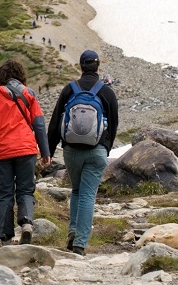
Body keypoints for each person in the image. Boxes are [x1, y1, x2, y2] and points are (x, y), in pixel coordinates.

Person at [47, 50, 119, 256]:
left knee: (77, 191)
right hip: (96, 151)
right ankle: (80, 243)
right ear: (97, 67)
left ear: (81, 66)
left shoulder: (69, 89)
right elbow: (113, 125)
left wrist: (49, 152)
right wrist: (105, 148)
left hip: (71, 150)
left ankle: (72, 232)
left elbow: (55, 123)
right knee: (88, 194)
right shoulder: (107, 92)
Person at [0, 59, 52, 246]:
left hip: (2, 151)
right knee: (26, 189)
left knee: (4, 193)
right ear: (21, 75)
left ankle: (5, 236)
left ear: (1, 76)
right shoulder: (30, 94)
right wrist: (45, 152)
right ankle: (26, 223)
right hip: (26, 149)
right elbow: (39, 125)